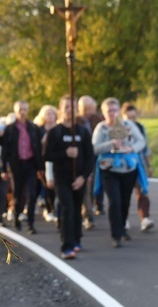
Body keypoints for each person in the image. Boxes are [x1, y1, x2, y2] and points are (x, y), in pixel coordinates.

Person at [44, 95, 94, 259]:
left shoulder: (82, 131)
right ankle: (67, 246)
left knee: (78, 208)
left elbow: (90, 157)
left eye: (72, 107)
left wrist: (83, 177)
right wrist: (65, 153)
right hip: (62, 179)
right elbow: (47, 155)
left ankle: (77, 238)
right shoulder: (55, 132)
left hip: (79, 178)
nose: (69, 110)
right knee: (67, 208)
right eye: (66, 107)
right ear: (60, 110)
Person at [92, 97, 146, 248]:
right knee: (114, 201)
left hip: (128, 168)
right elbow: (95, 148)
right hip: (109, 169)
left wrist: (131, 148)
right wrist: (111, 144)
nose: (112, 113)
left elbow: (141, 141)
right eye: (109, 111)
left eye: (114, 110)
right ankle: (115, 234)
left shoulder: (128, 125)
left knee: (125, 201)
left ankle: (122, 228)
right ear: (103, 113)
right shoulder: (101, 128)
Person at [1, 100, 44, 234]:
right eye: (20, 109)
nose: (23, 112)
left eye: (25, 109)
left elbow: (38, 148)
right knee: (18, 194)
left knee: (32, 194)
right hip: (16, 165)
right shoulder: (10, 128)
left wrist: (40, 167)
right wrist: (4, 168)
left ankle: (30, 223)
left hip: (31, 164)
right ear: (15, 111)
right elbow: (5, 150)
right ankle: (16, 218)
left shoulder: (33, 127)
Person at [121, 102, 155, 232]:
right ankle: (123, 219)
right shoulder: (119, 128)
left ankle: (145, 218)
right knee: (124, 193)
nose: (132, 121)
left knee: (142, 190)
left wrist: (148, 165)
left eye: (134, 117)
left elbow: (145, 147)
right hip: (123, 165)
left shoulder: (140, 128)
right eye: (129, 118)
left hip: (139, 164)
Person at [76, 95, 104, 229]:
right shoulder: (75, 122)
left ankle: (90, 208)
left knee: (93, 186)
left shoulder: (97, 120)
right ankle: (88, 215)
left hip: (95, 158)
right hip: (81, 160)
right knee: (85, 186)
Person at [34, 105, 58, 223]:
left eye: (52, 113)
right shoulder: (39, 130)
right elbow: (37, 147)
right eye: (47, 114)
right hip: (44, 162)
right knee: (48, 187)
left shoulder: (59, 128)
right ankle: (49, 209)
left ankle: (55, 209)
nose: (50, 116)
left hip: (57, 162)